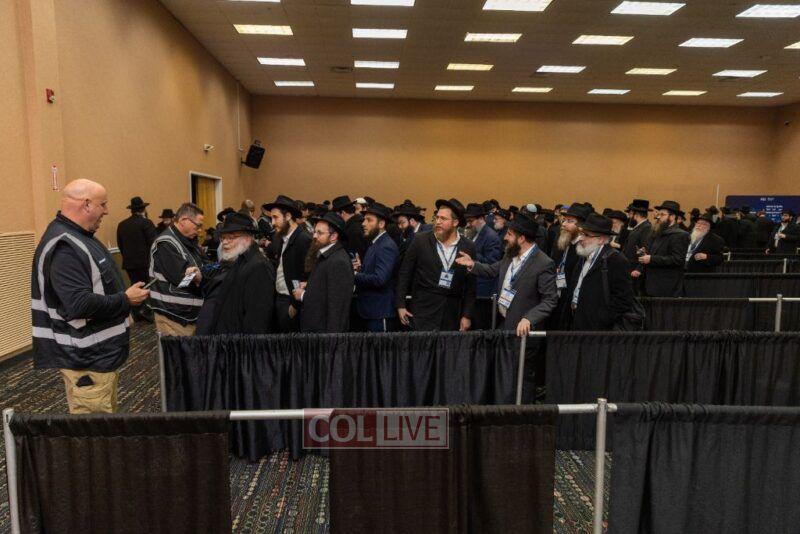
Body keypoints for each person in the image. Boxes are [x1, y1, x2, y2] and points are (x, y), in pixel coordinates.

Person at [31, 179, 150, 414]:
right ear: (86, 204)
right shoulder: (65, 246)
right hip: (87, 360)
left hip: (97, 356)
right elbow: (78, 304)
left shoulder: (80, 237)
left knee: (104, 424)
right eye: (102, 204)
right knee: (93, 431)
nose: (106, 211)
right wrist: (125, 300)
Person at [455, 210, 557, 336]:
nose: (505, 237)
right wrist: (472, 264)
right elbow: (492, 270)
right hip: (503, 324)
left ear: (521, 239)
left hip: (523, 332)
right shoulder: (510, 255)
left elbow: (550, 300)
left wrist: (529, 318)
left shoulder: (544, 263)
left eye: (509, 234)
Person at [396, 198, 476, 331]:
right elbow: (404, 273)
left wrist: (467, 315)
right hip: (422, 312)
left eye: (443, 219)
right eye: (437, 217)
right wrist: (400, 305)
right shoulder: (420, 240)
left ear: (455, 222)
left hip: (452, 315)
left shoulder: (468, 247)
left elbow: (471, 286)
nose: (438, 222)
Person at [195, 212, 276, 334]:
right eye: (223, 238)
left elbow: (257, 321)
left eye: (231, 237)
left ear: (247, 238)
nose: (225, 242)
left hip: (239, 342)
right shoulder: (237, 260)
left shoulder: (259, 266)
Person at [568, 214, 635, 331]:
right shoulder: (584, 255)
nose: (581, 238)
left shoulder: (616, 260)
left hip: (598, 329)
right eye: (582, 233)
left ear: (601, 239)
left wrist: (602, 318)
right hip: (577, 319)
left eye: (586, 235)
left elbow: (623, 299)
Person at [148, 202, 206, 335]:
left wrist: (202, 274)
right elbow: (183, 280)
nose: (200, 230)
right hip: (174, 316)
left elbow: (206, 264)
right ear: (183, 220)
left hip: (188, 314)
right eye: (198, 225)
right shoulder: (165, 243)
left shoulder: (188, 240)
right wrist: (200, 278)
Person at [293, 212, 355, 333]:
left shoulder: (338, 261)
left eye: (319, 233)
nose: (314, 236)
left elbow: (337, 307)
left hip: (324, 334)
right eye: (314, 232)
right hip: (317, 330)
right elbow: (327, 286)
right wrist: (310, 285)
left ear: (333, 236)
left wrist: (304, 295)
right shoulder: (327, 254)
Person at [263, 195, 312, 332]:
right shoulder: (281, 237)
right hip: (280, 299)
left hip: (292, 302)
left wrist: (295, 307)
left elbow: (307, 276)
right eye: (271, 218)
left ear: (288, 216)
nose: (272, 223)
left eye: (275, 217)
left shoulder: (303, 239)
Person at [353, 203, 400, 332]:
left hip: (379, 312)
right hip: (372, 311)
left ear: (381, 224)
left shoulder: (386, 246)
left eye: (369, 220)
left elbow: (380, 279)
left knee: (380, 346)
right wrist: (360, 269)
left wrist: (355, 275)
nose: (363, 224)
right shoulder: (375, 243)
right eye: (364, 220)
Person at [634, 200, 690, 297]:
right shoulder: (657, 232)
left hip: (666, 286)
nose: (659, 217)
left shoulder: (680, 235)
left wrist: (651, 259)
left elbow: (678, 259)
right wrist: (644, 254)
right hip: (649, 284)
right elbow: (653, 253)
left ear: (672, 217)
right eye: (659, 214)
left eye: (662, 215)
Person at [550, 203, 592, 329]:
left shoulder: (585, 250)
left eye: (569, 221)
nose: (563, 224)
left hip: (570, 304)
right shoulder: (561, 239)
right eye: (564, 220)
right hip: (555, 296)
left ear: (581, 227)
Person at [116, 196, 157, 323]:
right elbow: (154, 243)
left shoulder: (122, 225)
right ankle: (146, 311)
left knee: (134, 287)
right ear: (143, 209)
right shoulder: (146, 223)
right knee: (147, 287)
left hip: (129, 263)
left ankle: (137, 313)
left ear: (132, 210)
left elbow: (120, 245)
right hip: (145, 263)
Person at [464, 203, 502, 329]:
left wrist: (472, 255)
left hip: (483, 292)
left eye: (471, 221)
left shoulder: (491, 237)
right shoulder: (474, 234)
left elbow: (492, 264)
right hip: (472, 288)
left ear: (481, 219)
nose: (468, 224)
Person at [332, 195, 368, 260]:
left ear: (342, 213)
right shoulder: (356, 224)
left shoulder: (354, 230)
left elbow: (356, 257)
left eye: (336, 215)